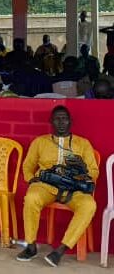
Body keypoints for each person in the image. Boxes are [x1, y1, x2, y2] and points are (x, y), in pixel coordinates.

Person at [16, 106, 98, 267]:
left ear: (71, 121)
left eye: (64, 118)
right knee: (31, 198)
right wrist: (31, 179)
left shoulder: (83, 143)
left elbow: (93, 171)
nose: (61, 122)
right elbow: (27, 166)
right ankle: (31, 246)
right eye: (57, 119)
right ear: (51, 122)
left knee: (89, 205)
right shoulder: (40, 142)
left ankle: (60, 250)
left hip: (73, 188)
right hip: (46, 186)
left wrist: (80, 174)